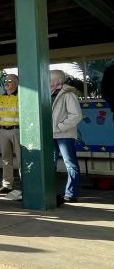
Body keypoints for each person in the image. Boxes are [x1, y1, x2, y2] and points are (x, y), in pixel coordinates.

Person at [50, 70, 83, 203]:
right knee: (49, 164)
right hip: (50, 134)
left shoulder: (68, 94)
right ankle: (49, 192)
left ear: (57, 80)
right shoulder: (47, 93)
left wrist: (60, 127)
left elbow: (76, 115)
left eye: (49, 79)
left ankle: (71, 193)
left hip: (65, 134)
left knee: (70, 164)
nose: (47, 81)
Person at [0, 73, 20, 195]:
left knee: (21, 160)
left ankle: (27, 185)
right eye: (5, 81)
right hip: (2, 131)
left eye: (10, 81)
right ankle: (7, 185)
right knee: (6, 160)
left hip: (17, 130)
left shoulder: (21, 97)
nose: (6, 83)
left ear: (16, 83)